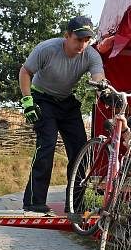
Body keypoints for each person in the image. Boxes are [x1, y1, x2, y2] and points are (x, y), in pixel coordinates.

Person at [19, 16, 113, 213]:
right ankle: (34, 201)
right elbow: (25, 72)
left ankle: (75, 204)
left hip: (66, 102)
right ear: (67, 36)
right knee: (47, 144)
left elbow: (98, 79)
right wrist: (27, 101)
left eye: (87, 40)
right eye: (78, 39)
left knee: (81, 150)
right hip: (42, 98)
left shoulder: (91, 55)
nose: (83, 44)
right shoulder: (47, 49)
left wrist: (103, 91)